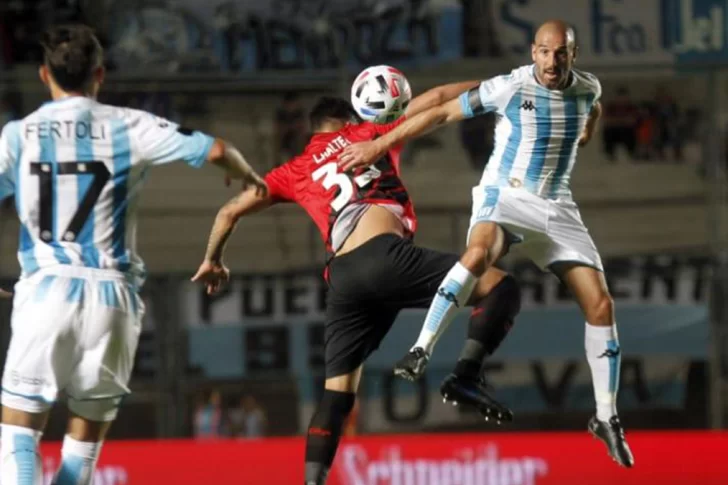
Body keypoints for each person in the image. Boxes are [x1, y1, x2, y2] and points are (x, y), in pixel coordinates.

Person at [338, 20, 634, 468]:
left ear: (574, 55)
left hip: (557, 208)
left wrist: (588, 132)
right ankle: (422, 348)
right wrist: (379, 147)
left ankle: (606, 418)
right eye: (544, 52)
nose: (552, 62)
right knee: (477, 255)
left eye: (561, 54)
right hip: (505, 196)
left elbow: (592, 108)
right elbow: (439, 113)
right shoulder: (509, 88)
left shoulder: (588, 88)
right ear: (533, 51)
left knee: (601, 306)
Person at [192, 91, 523, 484]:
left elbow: (228, 210)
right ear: (347, 120)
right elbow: (436, 100)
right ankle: (466, 373)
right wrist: (499, 86)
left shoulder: (294, 169)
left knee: (337, 396)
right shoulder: (366, 132)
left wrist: (212, 259)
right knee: (501, 287)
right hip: (385, 257)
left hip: (344, 279)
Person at [0, 24, 266, 485]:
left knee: (19, 435)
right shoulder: (128, 124)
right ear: (99, 74)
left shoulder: (18, 136)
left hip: (45, 294)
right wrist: (248, 177)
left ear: (44, 75)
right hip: (114, 302)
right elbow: (218, 149)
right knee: (81, 449)